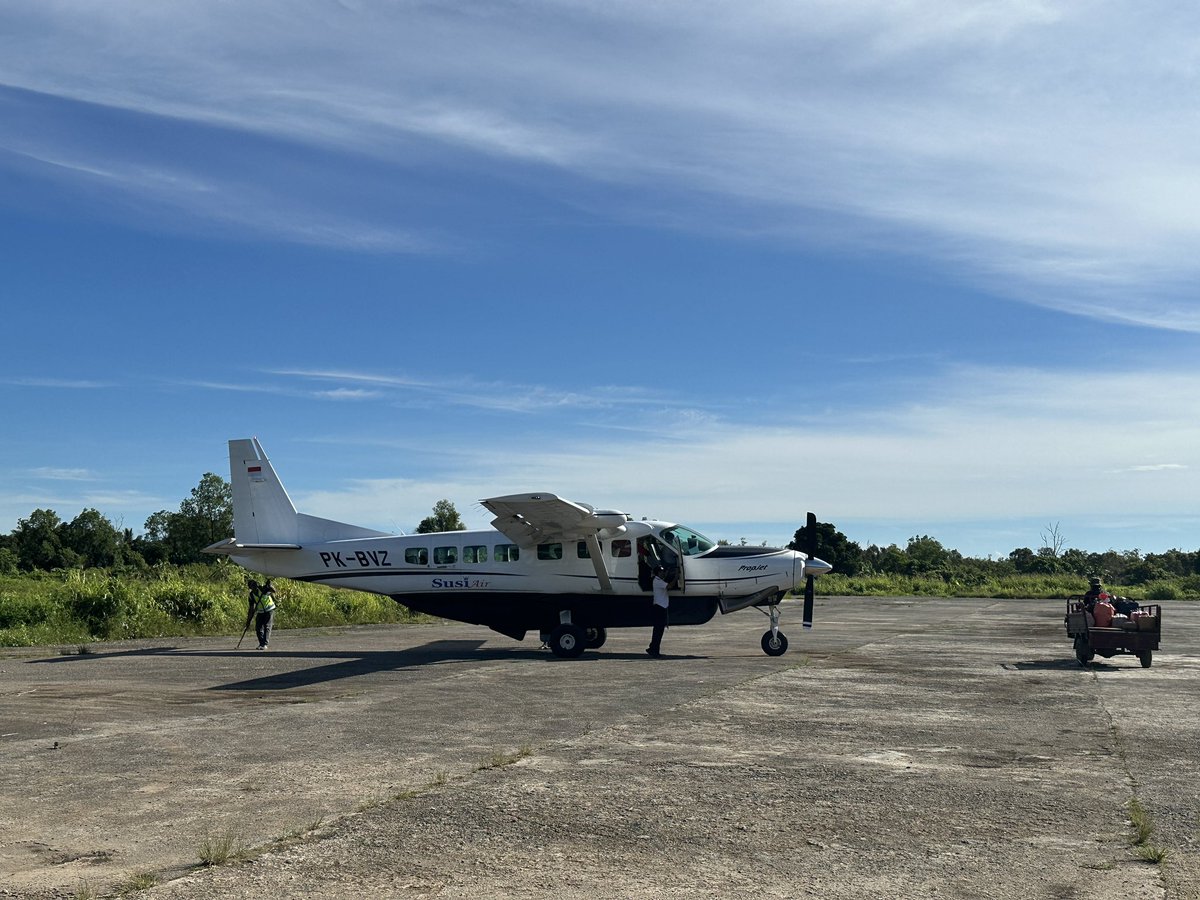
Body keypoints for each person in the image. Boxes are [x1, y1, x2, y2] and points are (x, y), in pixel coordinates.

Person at [646, 565, 670, 658]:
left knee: (658, 630)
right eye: (661, 572)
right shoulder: (658, 581)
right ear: (657, 573)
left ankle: (653, 648)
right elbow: (670, 586)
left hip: (660, 608)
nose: (662, 573)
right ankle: (654, 650)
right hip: (660, 608)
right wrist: (676, 577)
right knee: (658, 631)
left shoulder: (658, 580)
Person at [248, 578, 277, 650]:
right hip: (260, 612)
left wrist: (270, 586)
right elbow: (251, 608)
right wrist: (248, 620)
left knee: (267, 626)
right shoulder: (251, 595)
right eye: (253, 585)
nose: (255, 586)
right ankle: (261, 643)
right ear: (250, 587)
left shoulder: (262, 589)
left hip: (269, 610)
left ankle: (264, 644)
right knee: (258, 628)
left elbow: (273, 591)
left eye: (255, 584)